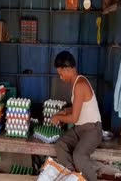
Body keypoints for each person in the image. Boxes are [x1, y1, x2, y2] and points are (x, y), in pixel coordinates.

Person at [50, 51, 102, 181]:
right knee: (60, 145)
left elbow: (74, 119)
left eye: (61, 74)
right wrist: (65, 111)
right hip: (80, 129)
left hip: (92, 130)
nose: (61, 78)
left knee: (79, 155)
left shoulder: (80, 85)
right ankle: (72, 177)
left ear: (68, 69)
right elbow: (79, 108)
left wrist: (58, 118)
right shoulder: (75, 83)